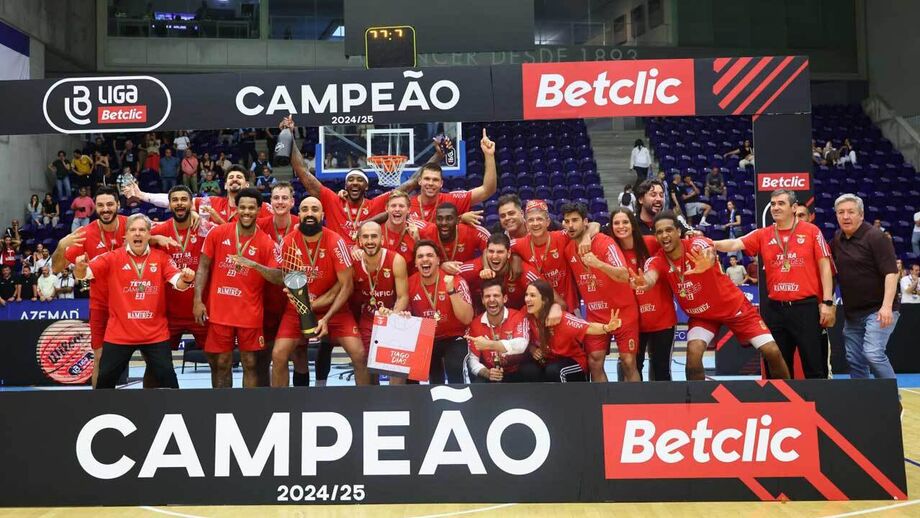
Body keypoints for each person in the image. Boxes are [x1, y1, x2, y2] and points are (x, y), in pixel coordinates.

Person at [635, 211, 791, 380]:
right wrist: (645, 283)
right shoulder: (657, 260)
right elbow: (651, 276)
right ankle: (699, 405)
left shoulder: (696, 243)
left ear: (678, 232)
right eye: (659, 232)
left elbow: (708, 251)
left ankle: (788, 401)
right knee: (693, 358)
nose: (665, 235)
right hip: (702, 317)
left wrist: (707, 262)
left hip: (734, 308)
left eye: (669, 230)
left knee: (772, 352)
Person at [714, 189, 836, 379]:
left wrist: (827, 303)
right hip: (775, 310)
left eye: (781, 203)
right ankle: (781, 408)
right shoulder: (764, 234)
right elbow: (734, 244)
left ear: (794, 208)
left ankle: (818, 407)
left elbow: (825, 267)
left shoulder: (812, 232)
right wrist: (707, 243)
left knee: (814, 366)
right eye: (773, 204)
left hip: (805, 308)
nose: (775, 207)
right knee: (776, 366)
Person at [74, 213, 196, 390]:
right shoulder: (111, 257)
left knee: (169, 380)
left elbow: (178, 281)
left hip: (154, 334)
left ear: (149, 235)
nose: (137, 234)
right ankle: (101, 414)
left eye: (142, 230)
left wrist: (187, 279)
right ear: (126, 235)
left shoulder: (162, 258)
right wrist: (79, 269)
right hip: (120, 334)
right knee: (104, 382)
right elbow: (85, 274)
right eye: (133, 230)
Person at [273, 196, 370, 386]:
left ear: (322, 215)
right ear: (298, 214)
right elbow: (282, 276)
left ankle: (364, 405)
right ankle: (281, 407)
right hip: (297, 310)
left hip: (334, 310)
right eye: (305, 209)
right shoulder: (287, 242)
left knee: (359, 354)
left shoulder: (335, 241)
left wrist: (323, 314)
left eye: (315, 209)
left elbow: (346, 285)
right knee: (278, 355)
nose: (310, 213)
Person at [194, 188, 283, 388]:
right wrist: (197, 300)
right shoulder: (217, 233)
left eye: (251, 208)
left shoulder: (266, 242)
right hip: (219, 311)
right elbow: (203, 267)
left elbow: (280, 278)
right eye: (242, 207)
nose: (246, 212)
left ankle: (245, 410)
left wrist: (253, 265)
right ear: (236, 209)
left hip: (249, 313)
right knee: (222, 362)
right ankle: (221, 408)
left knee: (250, 363)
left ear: (259, 210)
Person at [287, 117, 418, 247]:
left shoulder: (376, 204)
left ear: (366, 187)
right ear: (345, 186)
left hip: (366, 260)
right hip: (338, 260)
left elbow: (411, 183)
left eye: (360, 180)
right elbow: (303, 172)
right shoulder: (333, 201)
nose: (355, 182)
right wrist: (289, 136)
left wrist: (438, 156)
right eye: (351, 179)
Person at [52, 186, 129, 388]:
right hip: (102, 305)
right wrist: (61, 245)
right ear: (95, 207)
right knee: (100, 359)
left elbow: (162, 227)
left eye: (110, 204)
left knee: (151, 359)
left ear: (118, 205)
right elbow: (56, 267)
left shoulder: (132, 226)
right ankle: (99, 408)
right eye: (101, 205)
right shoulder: (85, 233)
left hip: (134, 305)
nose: (105, 209)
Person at [562, 202, 640, 382]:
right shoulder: (568, 250)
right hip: (596, 315)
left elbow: (623, 275)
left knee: (628, 362)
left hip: (624, 313)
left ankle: (634, 406)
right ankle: (603, 407)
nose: (571, 225)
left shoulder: (605, 242)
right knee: (595, 362)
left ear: (585, 222)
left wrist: (598, 264)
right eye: (567, 221)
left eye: (575, 220)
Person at [831, 194, 899, 380]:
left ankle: (893, 400)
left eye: (851, 212)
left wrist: (886, 306)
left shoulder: (876, 237)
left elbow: (892, 273)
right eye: (841, 212)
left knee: (873, 354)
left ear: (861, 215)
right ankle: (864, 402)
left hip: (879, 310)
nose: (846, 216)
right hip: (853, 314)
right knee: (855, 359)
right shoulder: (837, 238)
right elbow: (828, 268)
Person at [149, 185, 210, 387]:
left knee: (219, 361)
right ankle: (147, 409)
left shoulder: (204, 228)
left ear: (191, 203)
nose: (179, 203)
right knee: (154, 365)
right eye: (175, 200)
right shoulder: (159, 230)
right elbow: (130, 240)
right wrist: (154, 238)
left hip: (201, 308)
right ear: (169, 205)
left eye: (184, 199)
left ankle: (222, 404)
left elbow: (230, 230)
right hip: (167, 311)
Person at [608, 208, 676, 381]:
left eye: (625, 222)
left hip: (661, 317)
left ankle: (664, 407)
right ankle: (631, 406)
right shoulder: (611, 251)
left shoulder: (651, 243)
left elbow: (675, 242)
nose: (621, 226)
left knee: (661, 370)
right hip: (633, 321)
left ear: (633, 224)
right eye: (616, 223)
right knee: (631, 366)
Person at [520, 280, 622, 383]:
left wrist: (607, 328)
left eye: (532, 296)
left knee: (555, 371)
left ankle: (566, 399)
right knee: (529, 370)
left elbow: (588, 327)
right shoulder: (525, 313)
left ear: (544, 300)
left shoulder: (561, 319)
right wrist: (532, 349)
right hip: (550, 362)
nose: (527, 299)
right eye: (526, 295)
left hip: (573, 362)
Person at [255, 182, 304, 386]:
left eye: (285, 198)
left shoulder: (302, 224)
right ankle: (270, 403)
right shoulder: (260, 225)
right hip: (266, 299)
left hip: (294, 300)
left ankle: (303, 401)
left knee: (299, 354)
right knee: (266, 355)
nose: (280, 202)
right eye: (276, 198)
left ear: (292, 202)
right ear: (270, 202)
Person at [407, 240, 474, 384]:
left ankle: (460, 402)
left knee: (454, 365)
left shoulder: (456, 281)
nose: (425, 259)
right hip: (427, 337)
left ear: (438, 260)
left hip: (455, 336)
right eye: (420, 256)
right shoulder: (409, 283)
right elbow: (405, 314)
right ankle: (418, 404)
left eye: (430, 255)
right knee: (411, 367)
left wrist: (451, 291)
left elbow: (467, 318)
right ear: (415, 263)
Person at [350, 221, 409, 384]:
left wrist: (393, 317)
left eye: (374, 236)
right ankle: (367, 402)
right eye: (366, 237)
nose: (370, 241)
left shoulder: (396, 260)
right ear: (360, 241)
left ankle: (396, 405)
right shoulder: (353, 262)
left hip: (394, 316)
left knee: (396, 367)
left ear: (382, 239)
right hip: (369, 318)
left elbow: (403, 296)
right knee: (365, 362)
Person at [408, 129, 497, 223]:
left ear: (441, 183)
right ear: (419, 181)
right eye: (427, 179)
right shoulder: (406, 204)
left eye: (435, 180)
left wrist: (489, 155)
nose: (430, 183)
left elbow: (487, 190)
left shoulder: (451, 200)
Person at [131, 165, 272, 224]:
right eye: (231, 177)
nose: (234, 179)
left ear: (247, 184)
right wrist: (143, 195)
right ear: (225, 184)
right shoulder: (212, 203)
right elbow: (178, 201)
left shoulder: (262, 207)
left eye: (239, 177)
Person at [510, 200, 583, 311]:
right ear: (526, 224)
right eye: (531, 220)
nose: (535, 223)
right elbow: (493, 248)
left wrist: (586, 236)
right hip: (540, 309)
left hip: (569, 308)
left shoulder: (562, 236)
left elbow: (591, 226)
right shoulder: (518, 244)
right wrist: (515, 257)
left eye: (539, 219)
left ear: (548, 222)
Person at [464, 279, 531, 383]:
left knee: (531, 371)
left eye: (496, 295)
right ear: (482, 300)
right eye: (487, 296)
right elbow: (472, 360)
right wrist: (487, 372)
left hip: (517, 371)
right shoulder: (475, 324)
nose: (491, 299)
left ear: (504, 298)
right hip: (491, 372)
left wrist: (489, 344)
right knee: (478, 383)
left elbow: (521, 345)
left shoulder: (518, 317)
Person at [457, 232, 544, 311]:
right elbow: (447, 277)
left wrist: (555, 307)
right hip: (483, 318)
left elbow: (546, 293)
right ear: (486, 252)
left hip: (517, 318)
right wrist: (443, 265)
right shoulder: (474, 268)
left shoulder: (522, 271)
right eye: (491, 251)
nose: (495, 256)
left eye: (500, 252)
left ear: (509, 253)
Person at [420, 203, 489, 268]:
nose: (444, 223)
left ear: (458, 220)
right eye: (439, 219)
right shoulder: (426, 232)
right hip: (437, 273)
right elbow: (411, 221)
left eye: (449, 218)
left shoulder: (471, 231)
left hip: (465, 273)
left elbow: (493, 247)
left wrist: (486, 268)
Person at [379, 190, 426, 271]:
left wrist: (417, 240)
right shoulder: (376, 230)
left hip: (408, 280)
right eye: (393, 206)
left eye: (401, 206)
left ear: (409, 209)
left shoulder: (419, 230)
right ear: (386, 208)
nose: (397, 209)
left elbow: (424, 263)